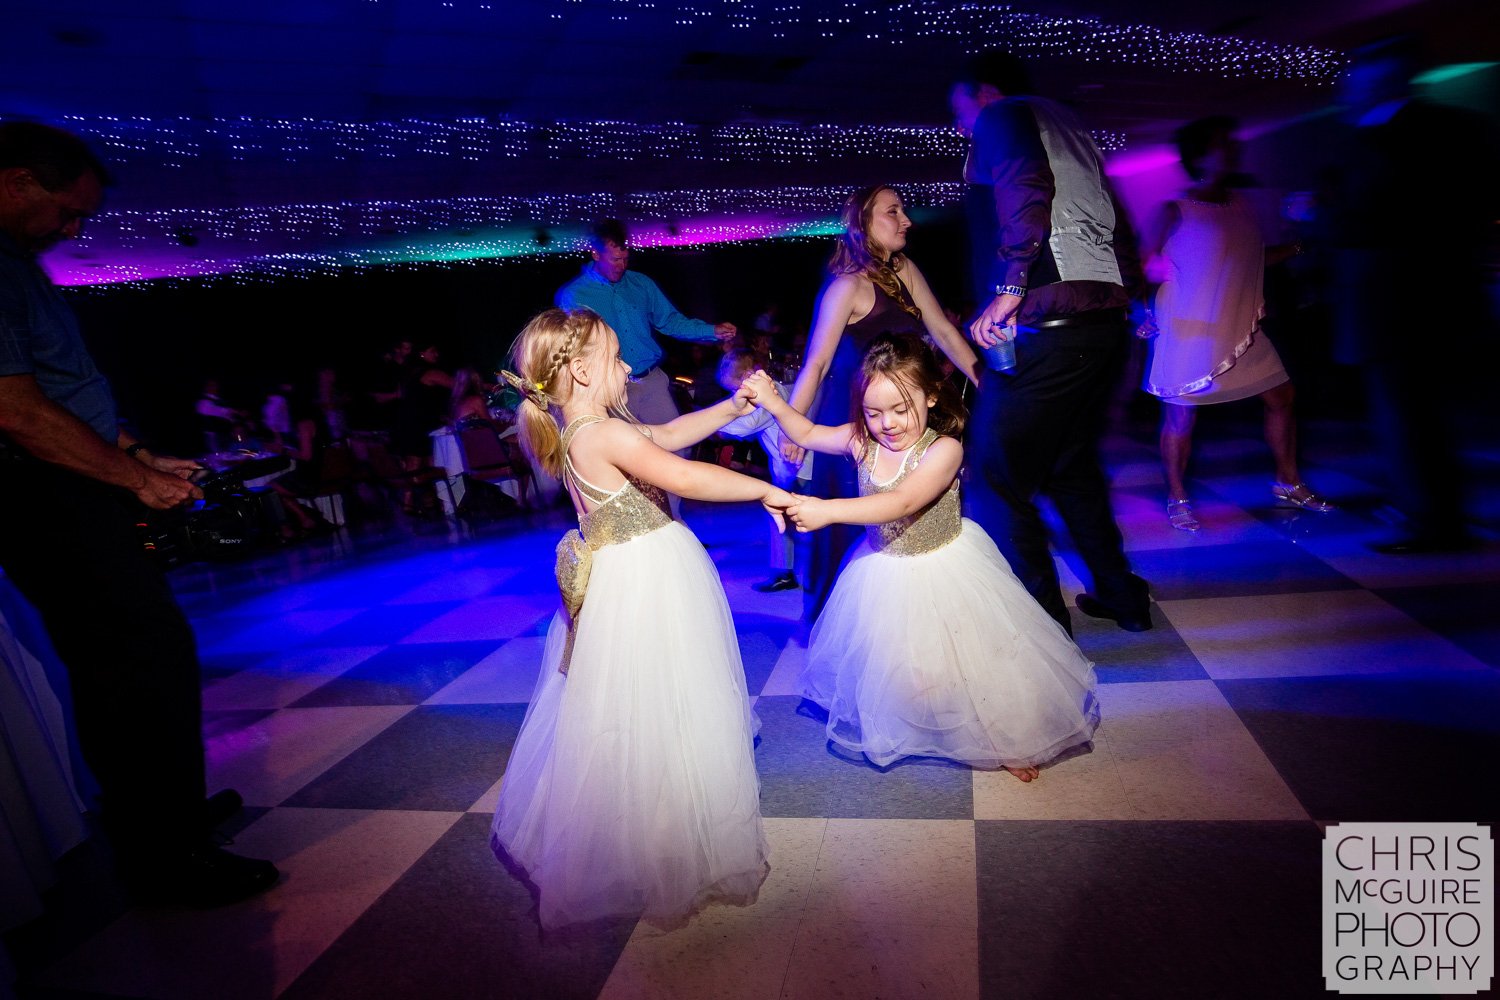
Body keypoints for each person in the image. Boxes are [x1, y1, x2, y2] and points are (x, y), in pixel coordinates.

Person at [0, 121, 276, 905]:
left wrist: (139, 457)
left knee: (146, 658)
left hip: (72, 481)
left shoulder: (17, 267)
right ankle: (164, 856)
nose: (74, 229)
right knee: (132, 666)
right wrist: (132, 479)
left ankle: (169, 816)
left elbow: (60, 391)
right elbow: (15, 413)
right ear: (18, 183)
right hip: (44, 494)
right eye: (66, 210)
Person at [490, 308, 790, 929]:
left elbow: (673, 436)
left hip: (628, 578)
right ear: (579, 369)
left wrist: (735, 408)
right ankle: (668, 834)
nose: (629, 366)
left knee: (636, 701)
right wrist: (764, 490)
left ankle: (650, 816)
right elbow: (683, 474)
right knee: (669, 691)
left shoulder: (587, 430)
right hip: (648, 577)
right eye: (617, 357)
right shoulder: (602, 435)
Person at [748, 336, 1098, 780]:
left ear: (931, 395)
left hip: (945, 568)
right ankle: (911, 722)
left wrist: (827, 511)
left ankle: (1006, 738)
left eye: (900, 408)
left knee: (977, 661)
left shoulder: (944, 450)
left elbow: (902, 502)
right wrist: (774, 401)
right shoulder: (862, 441)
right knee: (904, 662)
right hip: (883, 569)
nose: (887, 424)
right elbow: (807, 433)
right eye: (874, 413)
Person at [953, 50, 1152, 634]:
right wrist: (1134, 293)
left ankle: (1042, 629)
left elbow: (1025, 186)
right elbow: (1116, 219)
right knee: (1072, 469)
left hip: (1047, 328)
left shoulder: (1004, 116)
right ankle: (1122, 597)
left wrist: (1010, 283)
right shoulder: (1069, 125)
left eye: (961, 108)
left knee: (992, 479)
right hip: (1100, 327)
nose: (963, 123)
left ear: (984, 92)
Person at [1327, 37, 1500, 553]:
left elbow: (1368, 217)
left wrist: (1324, 218)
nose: (1347, 91)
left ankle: (1429, 521)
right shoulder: (1462, 127)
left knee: (1405, 419)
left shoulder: (1383, 139)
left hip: (1394, 305)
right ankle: (1431, 509)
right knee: (1428, 418)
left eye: (1355, 81)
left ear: (1378, 81)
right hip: (1440, 300)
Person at [782, 185, 979, 623]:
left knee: (916, 512)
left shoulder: (904, 268)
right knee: (853, 524)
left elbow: (945, 333)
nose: (906, 219)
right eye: (894, 211)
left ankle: (914, 615)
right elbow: (817, 363)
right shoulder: (845, 287)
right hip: (856, 419)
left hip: (904, 416)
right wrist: (791, 426)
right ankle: (844, 623)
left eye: (903, 211)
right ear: (863, 223)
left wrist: (981, 376)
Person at [1140, 116, 1333, 531]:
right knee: (1181, 418)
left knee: (1282, 395)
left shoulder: (1240, 205)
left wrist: (1300, 244)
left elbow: (1251, 261)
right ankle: (1177, 495)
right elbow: (1142, 267)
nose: (1231, 149)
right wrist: (1140, 312)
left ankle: (1287, 481)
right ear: (1199, 157)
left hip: (1239, 326)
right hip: (1189, 326)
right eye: (1220, 143)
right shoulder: (1174, 209)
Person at [717, 348, 813, 592]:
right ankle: (788, 572)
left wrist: (711, 425)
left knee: (797, 520)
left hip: (800, 469)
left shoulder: (771, 395)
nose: (733, 395)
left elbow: (746, 426)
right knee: (785, 521)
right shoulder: (766, 393)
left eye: (734, 388)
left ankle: (797, 572)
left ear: (750, 375)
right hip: (788, 469)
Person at [391, 342, 452, 514]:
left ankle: (427, 502)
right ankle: (416, 502)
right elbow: (456, 385)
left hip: (414, 424)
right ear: (422, 354)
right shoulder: (429, 373)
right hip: (416, 425)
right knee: (419, 465)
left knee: (422, 464)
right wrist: (483, 385)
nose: (437, 354)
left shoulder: (410, 373)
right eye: (433, 350)